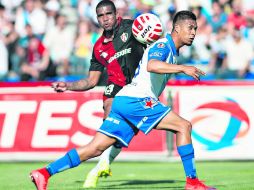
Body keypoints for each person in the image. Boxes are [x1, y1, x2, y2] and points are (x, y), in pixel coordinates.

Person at [30, 10, 216, 190]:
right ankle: (192, 183)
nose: (193, 33)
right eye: (190, 28)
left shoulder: (171, 49)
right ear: (176, 28)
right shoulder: (163, 45)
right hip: (137, 100)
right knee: (183, 126)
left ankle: (44, 173)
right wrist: (183, 68)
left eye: (195, 29)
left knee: (94, 148)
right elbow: (152, 65)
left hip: (123, 100)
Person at [49, 0, 145, 188]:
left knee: (127, 131)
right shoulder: (99, 47)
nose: (105, 19)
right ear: (97, 19)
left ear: (116, 14)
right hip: (117, 86)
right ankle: (100, 160)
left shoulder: (131, 26)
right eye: (100, 16)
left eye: (108, 14)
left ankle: (104, 163)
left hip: (140, 86)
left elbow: (152, 34)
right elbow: (91, 81)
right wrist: (67, 86)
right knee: (110, 111)